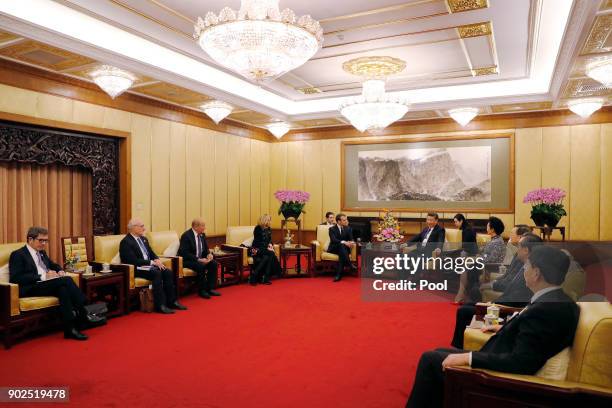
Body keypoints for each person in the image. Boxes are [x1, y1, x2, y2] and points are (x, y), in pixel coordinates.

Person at [406, 245, 579, 408]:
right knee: (438, 352)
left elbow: (521, 363)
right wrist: (504, 328)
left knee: (429, 359)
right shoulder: (557, 299)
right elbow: (533, 338)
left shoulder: (547, 309)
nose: (524, 269)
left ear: (536, 273)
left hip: (498, 380)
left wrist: (470, 358)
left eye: (526, 266)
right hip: (498, 354)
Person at [9, 226, 103, 340]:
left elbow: (52, 264)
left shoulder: (42, 252)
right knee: (67, 280)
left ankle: (70, 329)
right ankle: (85, 313)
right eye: (41, 240)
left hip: (46, 284)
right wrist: (43, 276)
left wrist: (60, 270)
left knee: (62, 289)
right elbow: (16, 277)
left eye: (46, 241)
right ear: (30, 239)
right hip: (31, 287)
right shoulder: (18, 254)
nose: (44, 243)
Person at [451, 233, 542, 348]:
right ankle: (461, 345)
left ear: (526, 250)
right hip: (502, 305)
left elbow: (515, 299)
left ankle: (459, 347)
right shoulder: (524, 265)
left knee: (463, 311)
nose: (516, 249)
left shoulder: (530, 272)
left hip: (505, 311)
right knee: (468, 305)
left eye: (519, 246)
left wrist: (493, 305)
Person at [119, 218, 187, 314]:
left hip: (148, 266)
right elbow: (131, 260)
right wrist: (151, 263)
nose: (144, 228)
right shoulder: (126, 242)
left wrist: (157, 260)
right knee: (156, 273)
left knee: (167, 272)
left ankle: (172, 302)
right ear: (134, 228)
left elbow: (151, 253)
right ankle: (160, 305)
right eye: (141, 226)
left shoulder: (144, 239)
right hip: (137, 268)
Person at [178, 218, 221, 299]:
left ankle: (210, 288)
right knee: (201, 266)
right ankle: (202, 290)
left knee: (214, 264)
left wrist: (209, 254)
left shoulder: (202, 235)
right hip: (188, 261)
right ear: (196, 227)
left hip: (200, 259)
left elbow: (206, 249)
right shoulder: (186, 236)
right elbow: (184, 253)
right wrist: (198, 259)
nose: (204, 228)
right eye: (203, 226)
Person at [249, 214, 281, 285]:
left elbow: (269, 240)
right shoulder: (257, 228)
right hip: (256, 249)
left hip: (265, 250)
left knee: (267, 257)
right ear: (265, 220)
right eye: (269, 220)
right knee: (271, 253)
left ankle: (255, 276)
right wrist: (267, 249)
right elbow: (257, 242)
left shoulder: (269, 228)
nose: (270, 221)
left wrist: (271, 245)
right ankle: (265, 277)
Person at [327, 213, 356, 282]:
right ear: (338, 221)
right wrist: (344, 242)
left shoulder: (348, 228)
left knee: (342, 252)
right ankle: (349, 265)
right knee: (341, 245)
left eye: (346, 220)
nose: (346, 221)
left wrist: (351, 242)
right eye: (344, 220)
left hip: (344, 249)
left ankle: (338, 275)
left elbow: (351, 239)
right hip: (334, 248)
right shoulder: (332, 229)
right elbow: (334, 240)